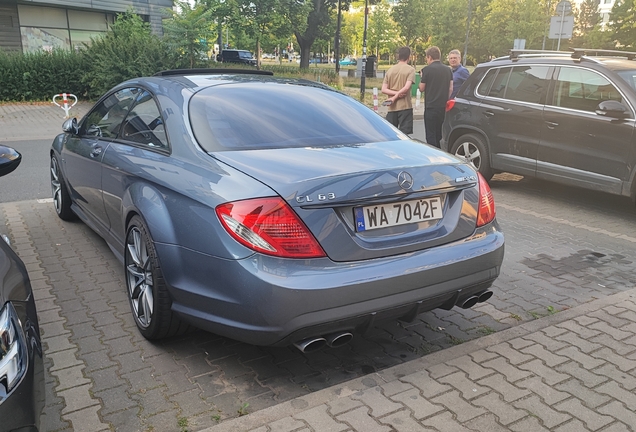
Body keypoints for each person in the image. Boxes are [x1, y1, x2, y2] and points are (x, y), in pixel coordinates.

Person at [418, 46, 453, 148]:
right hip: (442, 106)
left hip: (430, 106)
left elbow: (422, 88)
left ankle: (432, 153)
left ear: (429, 57)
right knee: (439, 133)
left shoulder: (427, 70)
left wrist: (422, 77)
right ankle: (439, 150)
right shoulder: (448, 70)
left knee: (430, 134)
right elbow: (451, 88)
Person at [381, 46, 416, 134]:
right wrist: (397, 95)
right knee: (405, 135)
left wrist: (394, 96)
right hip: (405, 106)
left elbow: (384, 89)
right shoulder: (411, 70)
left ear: (398, 56)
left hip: (391, 108)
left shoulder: (390, 70)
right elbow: (406, 87)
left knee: (391, 134)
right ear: (409, 57)